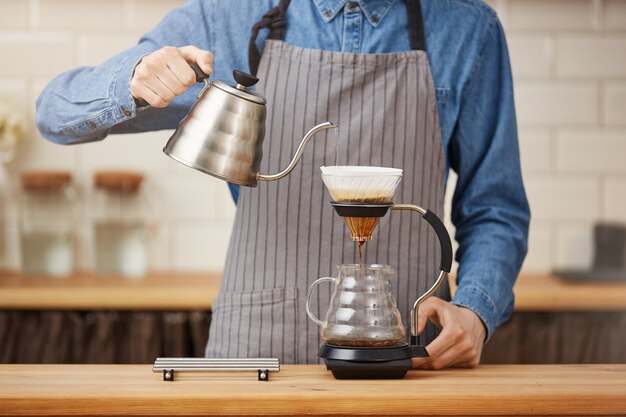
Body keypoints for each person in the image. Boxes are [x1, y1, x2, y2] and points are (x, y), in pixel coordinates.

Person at [36, 0, 530, 369]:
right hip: (255, 352)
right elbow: (54, 114)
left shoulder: (469, 30)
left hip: (406, 353)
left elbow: (496, 210)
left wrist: (475, 310)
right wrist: (135, 79)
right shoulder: (227, 17)